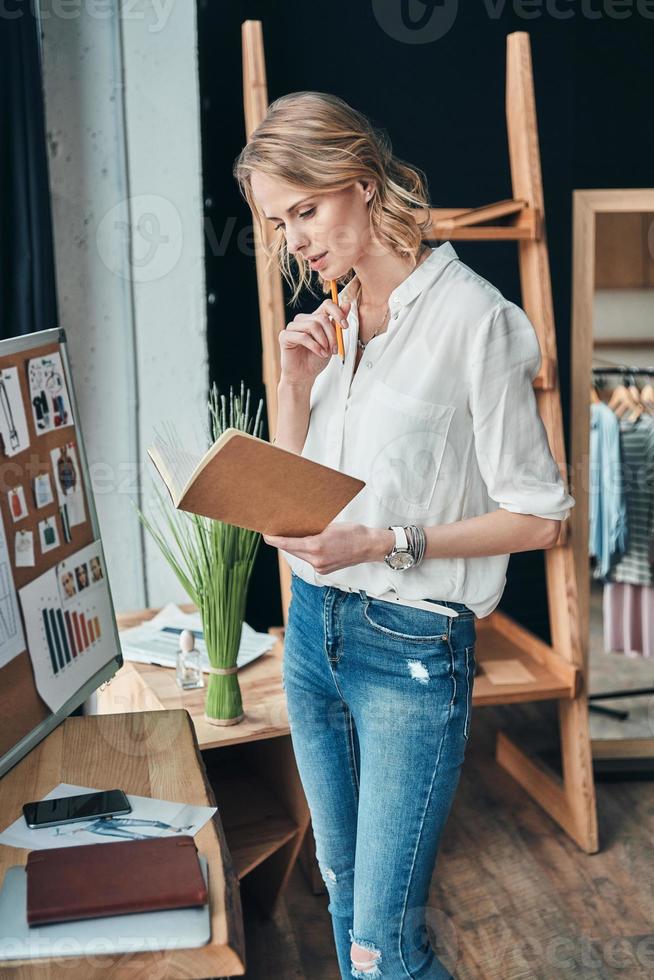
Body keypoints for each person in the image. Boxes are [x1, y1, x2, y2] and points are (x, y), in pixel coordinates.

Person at [234, 91, 575, 979]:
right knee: (343, 900)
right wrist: (295, 383)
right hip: (313, 637)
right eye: (279, 223)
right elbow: (299, 494)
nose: (296, 241)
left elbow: (540, 516)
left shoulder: (478, 321)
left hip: (410, 652)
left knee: (386, 948)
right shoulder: (335, 322)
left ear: (360, 181)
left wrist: (384, 542)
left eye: (305, 211)